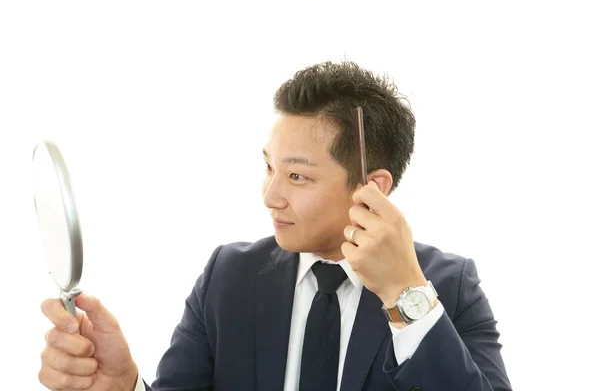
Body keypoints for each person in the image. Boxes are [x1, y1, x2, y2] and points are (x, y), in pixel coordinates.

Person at [39, 61, 512, 391]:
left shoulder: (447, 289)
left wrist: (404, 297)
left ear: (372, 186)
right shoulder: (228, 276)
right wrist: (123, 387)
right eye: (269, 167)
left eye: (298, 176)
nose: (270, 196)